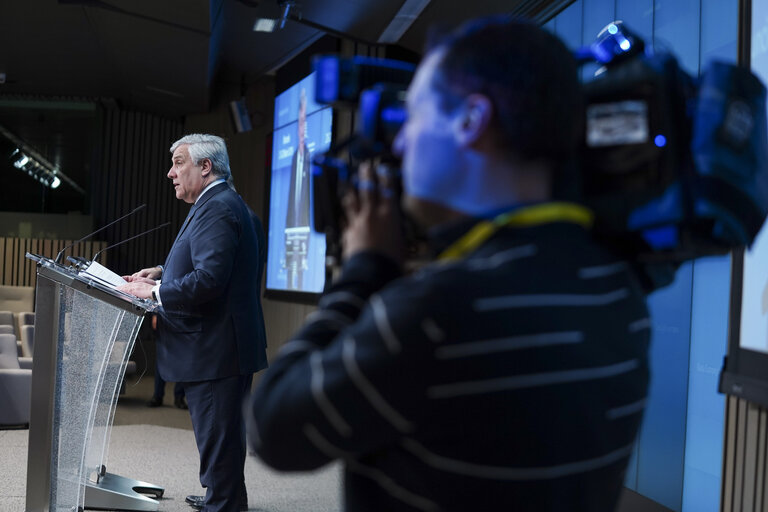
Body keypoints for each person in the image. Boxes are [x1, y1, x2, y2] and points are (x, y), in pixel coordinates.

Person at [247, 16, 650, 511]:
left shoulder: (438, 311)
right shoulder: (619, 287)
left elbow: (273, 429)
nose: (399, 144)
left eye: (412, 117)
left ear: (470, 121)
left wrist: (365, 269)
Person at [120, 133, 268, 512]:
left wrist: (153, 293)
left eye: (179, 163)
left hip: (217, 346)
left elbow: (209, 279)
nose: (171, 173)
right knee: (222, 434)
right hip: (221, 344)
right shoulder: (221, 203)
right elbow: (213, 265)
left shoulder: (217, 207)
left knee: (219, 433)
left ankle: (223, 504)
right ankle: (224, 496)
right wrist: (162, 272)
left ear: (206, 166)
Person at [284, 88, 311, 290]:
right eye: (299, 124)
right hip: (291, 228)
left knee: (301, 278)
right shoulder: (294, 156)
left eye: (304, 123)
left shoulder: (310, 156)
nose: (302, 128)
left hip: (305, 229)